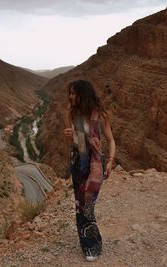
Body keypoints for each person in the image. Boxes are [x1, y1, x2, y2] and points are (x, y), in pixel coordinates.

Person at [63, 80, 116, 262]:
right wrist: (74, 136)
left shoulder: (101, 115)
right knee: (80, 206)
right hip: (78, 164)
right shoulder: (73, 114)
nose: (70, 97)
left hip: (95, 166)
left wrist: (110, 162)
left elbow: (110, 140)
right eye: (70, 93)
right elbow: (78, 145)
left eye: (73, 93)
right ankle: (88, 245)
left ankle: (94, 242)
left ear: (82, 94)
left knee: (88, 206)